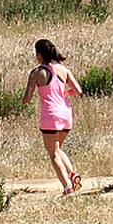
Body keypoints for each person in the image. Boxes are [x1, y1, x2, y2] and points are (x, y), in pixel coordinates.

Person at [23, 39, 82, 195]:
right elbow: (77, 91)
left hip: (50, 116)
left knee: (53, 154)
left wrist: (25, 99)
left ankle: (67, 187)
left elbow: (27, 98)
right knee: (57, 148)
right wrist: (64, 93)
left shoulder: (36, 72)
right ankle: (72, 173)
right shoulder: (63, 70)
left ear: (40, 55)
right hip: (66, 114)